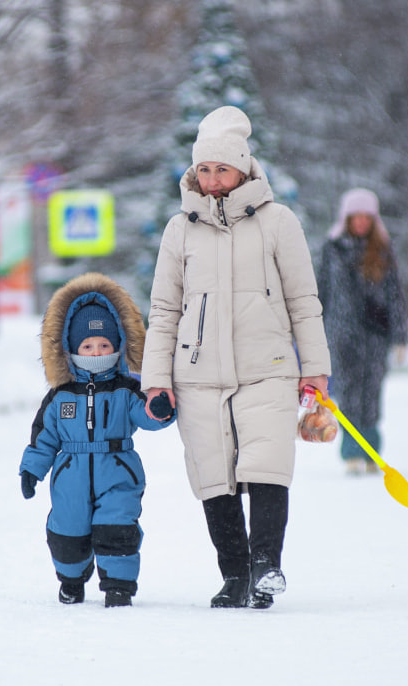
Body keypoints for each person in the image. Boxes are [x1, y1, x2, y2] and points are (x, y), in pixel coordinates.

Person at [141, 105, 331, 610]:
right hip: (198, 375)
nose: (212, 180)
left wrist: (314, 367)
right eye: (203, 170)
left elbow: (303, 301)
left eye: (221, 169)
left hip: (266, 369)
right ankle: (235, 576)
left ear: (244, 168)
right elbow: (163, 310)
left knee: (266, 464)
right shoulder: (179, 231)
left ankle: (266, 567)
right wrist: (156, 380)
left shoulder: (277, 222)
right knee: (213, 478)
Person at [18, 273, 176, 608]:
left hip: (118, 470)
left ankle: (118, 586)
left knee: (116, 527)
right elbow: (44, 437)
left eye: (104, 345)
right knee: (67, 533)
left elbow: (148, 417)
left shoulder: (125, 389)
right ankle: (72, 580)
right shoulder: (61, 397)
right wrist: (32, 469)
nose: (96, 352)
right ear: (72, 349)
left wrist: (160, 409)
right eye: (87, 347)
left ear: (117, 346)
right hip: (70, 474)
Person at [316, 188, 408, 476]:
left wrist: (400, 336)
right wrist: (313, 333)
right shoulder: (332, 249)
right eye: (355, 217)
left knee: (371, 392)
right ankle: (351, 451)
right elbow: (320, 291)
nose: (360, 223)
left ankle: (371, 449)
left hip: (375, 335)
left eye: (365, 217)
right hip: (341, 332)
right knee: (348, 392)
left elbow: (395, 295)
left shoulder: (382, 250)